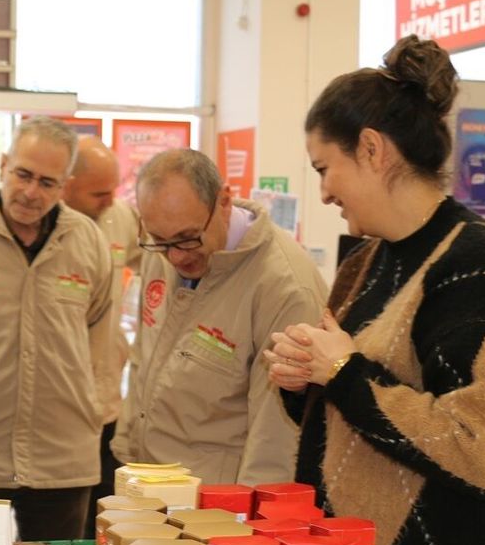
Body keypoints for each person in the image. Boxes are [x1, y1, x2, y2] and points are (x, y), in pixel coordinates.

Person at [266, 35, 485, 545]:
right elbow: (351, 413)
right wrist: (304, 382)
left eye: (325, 168)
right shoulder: (365, 264)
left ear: (371, 149)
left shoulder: (483, 269)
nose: (324, 191)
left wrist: (343, 372)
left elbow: (477, 450)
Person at [0, 116, 114, 541]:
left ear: (65, 185)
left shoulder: (88, 241)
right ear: (4, 165)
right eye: (23, 174)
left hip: (63, 455)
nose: (32, 192)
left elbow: (100, 336)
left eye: (47, 182)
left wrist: (94, 408)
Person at [111, 148, 326, 485]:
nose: (176, 257)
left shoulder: (285, 287)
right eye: (159, 240)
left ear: (224, 201)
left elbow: (275, 434)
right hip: (144, 480)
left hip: (213, 501)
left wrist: (248, 515)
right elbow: (145, 357)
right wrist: (125, 452)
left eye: (187, 238)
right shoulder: (161, 253)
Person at [62, 135, 142, 535]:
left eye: (113, 190)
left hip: (107, 397)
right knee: (60, 526)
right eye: (98, 193)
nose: (110, 200)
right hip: (60, 405)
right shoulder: (47, 230)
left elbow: (156, 260)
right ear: (66, 185)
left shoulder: (119, 217)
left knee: (104, 521)